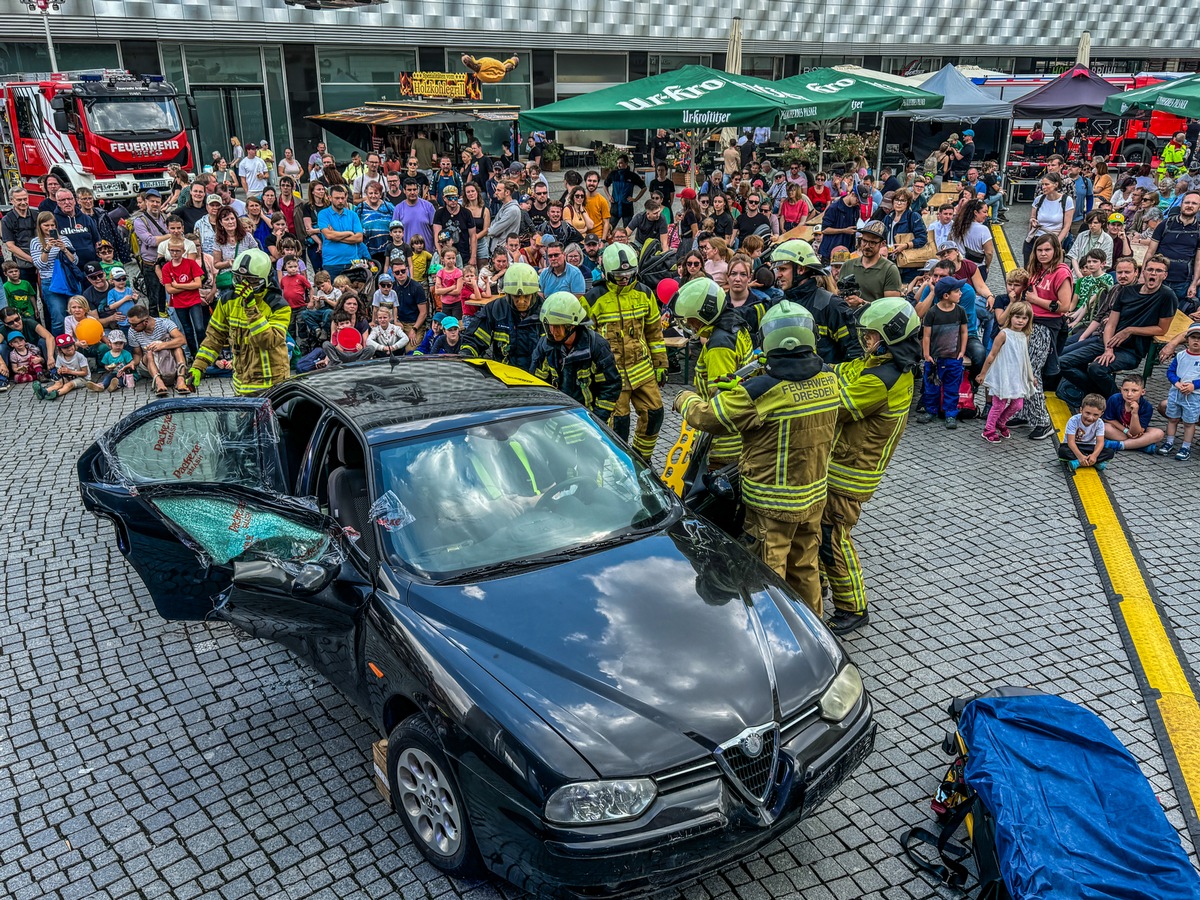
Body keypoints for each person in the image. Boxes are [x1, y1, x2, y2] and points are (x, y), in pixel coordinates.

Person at [675, 301, 838, 614]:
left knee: (768, 575)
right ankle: (816, 628)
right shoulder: (829, 380)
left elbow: (710, 418)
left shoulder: (760, 392)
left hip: (770, 504)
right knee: (805, 566)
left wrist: (685, 399)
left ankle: (779, 643)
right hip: (813, 498)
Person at [821, 298, 922, 634]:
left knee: (833, 538)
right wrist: (815, 367)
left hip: (848, 474)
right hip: (842, 468)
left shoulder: (882, 379)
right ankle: (820, 583)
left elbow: (835, 406)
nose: (865, 341)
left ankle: (852, 607)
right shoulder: (884, 366)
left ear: (889, 338)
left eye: (871, 336)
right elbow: (843, 370)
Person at [1056, 253, 1177, 411]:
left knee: (1097, 368)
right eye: (1150, 269)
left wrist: (1130, 330)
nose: (1153, 273)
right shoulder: (1126, 292)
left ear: (1165, 275)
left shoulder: (1167, 296)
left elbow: (1162, 328)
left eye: (1159, 271)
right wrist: (1108, 348)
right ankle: (1098, 394)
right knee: (1062, 362)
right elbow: (1110, 324)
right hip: (1107, 343)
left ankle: (1118, 404)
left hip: (1131, 351)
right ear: (1144, 272)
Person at [584, 244, 666, 461]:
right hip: (611, 375)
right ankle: (621, 466)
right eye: (619, 275)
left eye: (629, 274)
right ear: (607, 273)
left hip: (642, 370)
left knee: (655, 414)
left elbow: (654, 332)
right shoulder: (593, 299)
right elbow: (584, 341)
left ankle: (642, 460)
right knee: (619, 424)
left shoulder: (645, 294)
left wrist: (660, 364)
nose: (624, 279)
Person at [671, 276, 756, 465]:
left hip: (723, 447)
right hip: (741, 439)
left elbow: (720, 404)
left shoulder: (719, 345)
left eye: (691, 319)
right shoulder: (734, 326)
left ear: (705, 313)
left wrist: (684, 400)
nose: (690, 325)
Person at [189, 248, 290, 395]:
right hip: (240, 383)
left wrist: (251, 308)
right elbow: (214, 338)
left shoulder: (278, 306)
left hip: (271, 385)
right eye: (239, 278)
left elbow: (267, 342)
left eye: (251, 280)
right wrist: (198, 366)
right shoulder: (227, 301)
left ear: (266, 280)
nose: (244, 284)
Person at [530, 291, 622, 417]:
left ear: (572, 326)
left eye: (557, 327)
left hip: (588, 418)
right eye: (549, 326)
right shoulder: (545, 346)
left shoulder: (596, 347)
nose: (553, 332)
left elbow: (610, 387)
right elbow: (536, 383)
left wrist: (597, 421)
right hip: (556, 417)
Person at [771, 240, 857, 364]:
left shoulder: (831, 305)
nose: (778, 275)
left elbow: (853, 352)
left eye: (783, 269)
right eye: (778, 270)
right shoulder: (777, 305)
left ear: (800, 269)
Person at [461, 261, 543, 373]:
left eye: (526, 297)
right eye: (516, 297)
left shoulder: (546, 313)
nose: (521, 302)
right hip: (504, 378)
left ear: (534, 293)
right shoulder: (495, 309)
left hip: (537, 381)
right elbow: (474, 340)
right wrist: (466, 355)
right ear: (508, 294)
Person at [975, 301, 1036, 442]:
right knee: (998, 405)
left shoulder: (1025, 336)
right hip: (1003, 375)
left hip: (1016, 376)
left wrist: (1030, 376)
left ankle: (1000, 422)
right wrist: (983, 373)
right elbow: (992, 355)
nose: (1020, 321)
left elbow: (1025, 358)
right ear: (1011, 316)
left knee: (1017, 405)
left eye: (1024, 318)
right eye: (1017, 317)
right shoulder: (1003, 334)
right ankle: (988, 429)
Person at [917, 277, 969, 429]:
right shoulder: (932, 313)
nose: (960, 294)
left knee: (952, 388)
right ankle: (930, 410)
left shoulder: (960, 311)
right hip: (934, 359)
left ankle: (950, 414)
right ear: (946, 295)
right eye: (957, 291)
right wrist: (926, 355)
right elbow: (926, 336)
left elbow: (964, 332)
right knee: (931, 387)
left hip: (953, 358)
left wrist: (962, 350)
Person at [1144, 189, 1200, 312]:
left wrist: (1194, 283)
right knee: (1151, 310)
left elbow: (1198, 260)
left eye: (1194, 203)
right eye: (1187, 202)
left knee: (1174, 315)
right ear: (1181, 204)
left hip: (1182, 281)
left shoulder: (1198, 229)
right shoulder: (1165, 224)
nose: (1190, 206)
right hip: (1159, 277)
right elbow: (1150, 252)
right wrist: (1143, 275)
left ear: (1199, 207)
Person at [1156, 323, 1200, 460]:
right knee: (1172, 418)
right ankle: (1169, 442)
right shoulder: (1181, 355)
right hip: (1176, 392)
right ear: (1187, 339)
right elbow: (1170, 371)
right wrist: (1176, 383)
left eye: (1199, 338)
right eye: (1193, 337)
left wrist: (1194, 385)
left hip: (1194, 395)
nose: (1196, 341)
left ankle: (1186, 446)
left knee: (1189, 422)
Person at [1102, 374, 1165, 454]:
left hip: (1136, 433)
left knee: (1159, 433)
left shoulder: (1146, 407)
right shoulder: (1114, 399)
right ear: (1121, 390)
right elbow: (1108, 419)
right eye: (1125, 390)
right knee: (1104, 427)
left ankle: (1120, 445)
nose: (1129, 394)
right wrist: (1125, 430)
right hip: (1119, 431)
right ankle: (1141, 446)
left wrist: (1135, 414)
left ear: (1143, 392)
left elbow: (1136, 433)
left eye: (1134, 391)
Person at [1056, 393, 1116, 472]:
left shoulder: (1100, 423)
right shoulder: (1073, 420)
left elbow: (1100, 442)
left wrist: (1094, 455)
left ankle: (1079, 463)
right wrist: (1080, 456)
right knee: (1062, 451)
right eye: (1087, 413)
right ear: (1081, 410)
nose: (1090, 418)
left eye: (1095, 415)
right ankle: (1094, 462)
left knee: (1110, 452)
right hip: (1075, 446)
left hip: (1090, 447)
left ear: (1101, 414)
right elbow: (1071, 442)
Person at [33, 333, 91, 400]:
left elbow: (85, 372)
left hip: (82, 378)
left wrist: (70, 371)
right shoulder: (60, 357)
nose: (69, 348)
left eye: (70, 345)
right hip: (68, 376)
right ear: (60, 349)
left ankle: (56, 393)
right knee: (58, 383)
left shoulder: (80, 357)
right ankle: (43, 392)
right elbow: (58, 368)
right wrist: (60, 370)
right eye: (65, 347)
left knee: (69, 385)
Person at [2, 188, 39, 292]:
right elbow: (10, 246)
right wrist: (31, 260)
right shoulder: (7, 220)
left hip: (42, 261)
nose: (23, 202)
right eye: (19, 200)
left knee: (45, 295)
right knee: (28, 295)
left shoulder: (36, 214)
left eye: (25, 199)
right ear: (11, 201)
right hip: (22, 265)